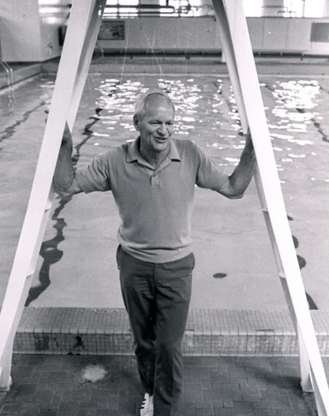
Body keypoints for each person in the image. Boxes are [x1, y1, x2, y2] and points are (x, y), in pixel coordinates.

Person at [53, 92, 256, 416]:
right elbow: (66, 186)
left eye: (169, 123)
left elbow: (234, 189)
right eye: (155, 122)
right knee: (144, 342)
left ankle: (163, 410)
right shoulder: (114, 160)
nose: (164, 130)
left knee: (168, 346)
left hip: (176, 268)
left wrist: (251, 151)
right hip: (133, 265)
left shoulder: (190, 154)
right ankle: (150, 389)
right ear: (137, 123)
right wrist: (63, 144)